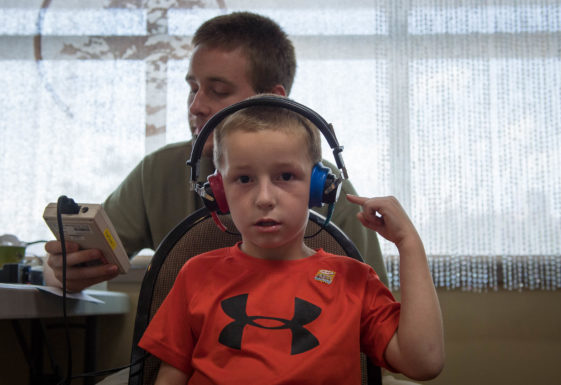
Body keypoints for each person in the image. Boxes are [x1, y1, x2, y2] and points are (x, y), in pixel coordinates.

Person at [43, 11, 389, 293]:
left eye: (218, 91)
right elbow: (74, 263)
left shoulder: (326, 188)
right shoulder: (159, 171)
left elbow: (375, 326)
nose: (195, 105)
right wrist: (62, 272)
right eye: (192, 89)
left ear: (273, 100)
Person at [138, 98, 444, 384]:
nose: (264, 198)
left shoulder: (353, 281)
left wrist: (409, 244)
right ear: (218, 192)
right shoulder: (196, 275)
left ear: (319, 187)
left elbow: (424, 362)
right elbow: (171, 375)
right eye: (244, 179)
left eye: (285, 176)